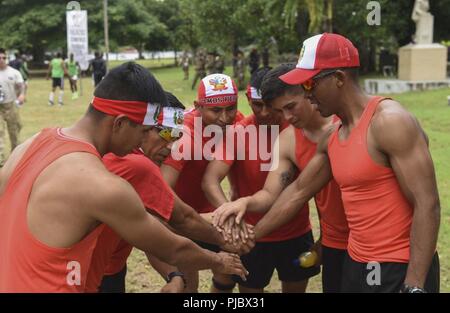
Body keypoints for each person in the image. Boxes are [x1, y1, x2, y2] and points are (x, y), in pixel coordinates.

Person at [213, 33, 441, 293]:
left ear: (339, 79)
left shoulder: (389, 122)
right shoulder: (334, 136)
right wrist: (252, 236)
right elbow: (297, 193)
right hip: (356, 262)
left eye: (309, 85)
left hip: (397, 265)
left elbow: (428, 204)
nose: (306, 95)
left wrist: (414, 285)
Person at [0, 62, 247, 292]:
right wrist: (218, 259)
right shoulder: (104, 184)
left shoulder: (29, 145)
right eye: (144, 131)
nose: (142, 142)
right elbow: (174, 242)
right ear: (119, 123)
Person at [86, 92, 254, 293]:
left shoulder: (106, 151)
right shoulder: (137, 165)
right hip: (85, 273)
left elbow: (150, 231)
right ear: (144, 128)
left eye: (176, 136)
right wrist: (223, 245)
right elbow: (183, 219)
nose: (171, 147)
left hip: (109, 267)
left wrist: (173, 276)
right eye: (166, 134)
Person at [202, 67, 322, 293]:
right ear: (248, 99)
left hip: (295, 233)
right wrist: (230, 214)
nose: (266, 112)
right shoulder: (238, 132)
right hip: (250, 236)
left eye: (272, 106)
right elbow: (210, 180)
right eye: (258, 105)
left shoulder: (296, 127)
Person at [161, 73, 247, 293]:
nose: (225, 116)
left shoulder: (238, 121)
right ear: (198, 106)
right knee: (188, 284)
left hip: (212, 214)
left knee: (228, 272)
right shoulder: (184, 133)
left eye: (231, 107)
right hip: (180, 218)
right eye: (216, 110)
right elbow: (163, 193)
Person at [0, 48, 25, 167]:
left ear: (7, 58)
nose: (1, 60)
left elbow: (21, 85)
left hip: (11, 105)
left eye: (3, 58)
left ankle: (15, 156)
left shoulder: (14, 73)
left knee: (14, 131)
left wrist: (22, 95)